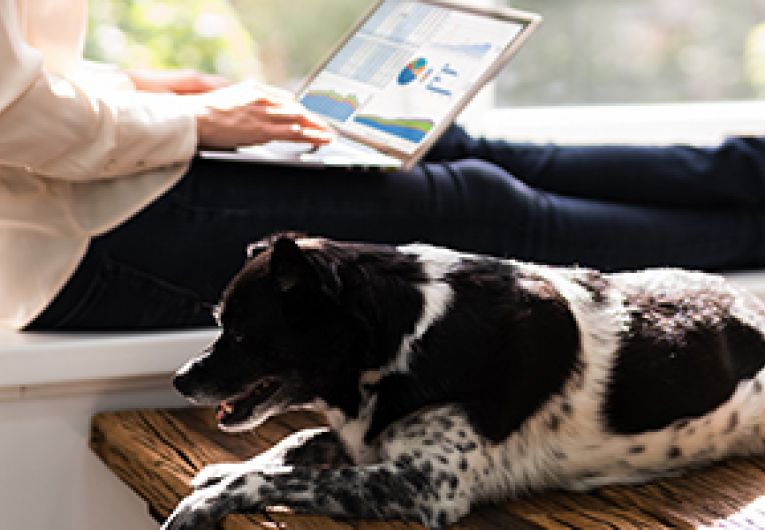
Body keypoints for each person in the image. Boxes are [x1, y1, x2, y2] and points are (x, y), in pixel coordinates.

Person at [3, 0, 765, 332]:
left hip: (89, 181)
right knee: (474, 200)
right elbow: (16, 117)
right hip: (72, 236)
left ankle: (748, 169)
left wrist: (143, 87)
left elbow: (26, 75)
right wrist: (196, 120)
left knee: (453, 146)